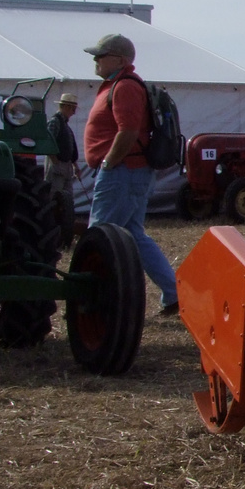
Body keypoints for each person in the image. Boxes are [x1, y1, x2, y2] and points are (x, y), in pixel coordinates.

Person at [82, 33, 179, 315]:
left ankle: (94, 302)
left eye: (101, 55)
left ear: (120, 60)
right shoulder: (118, 85)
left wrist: (109, 163)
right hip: (129, 172)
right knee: (133, 235)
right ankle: (173, 293)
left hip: (122, 173)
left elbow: (128, 131)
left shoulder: (124, 86)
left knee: (99, 236)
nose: (96, 60)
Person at [45, 92, 80, 193]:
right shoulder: (55, 121)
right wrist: (55, 162)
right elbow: (48, 143)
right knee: (55, 194)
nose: (74, 112)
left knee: (66, 196)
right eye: (73, 109)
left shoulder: (65, 125)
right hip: (57, 163)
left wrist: (75, 165)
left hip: (66, 165)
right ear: (65, 107)